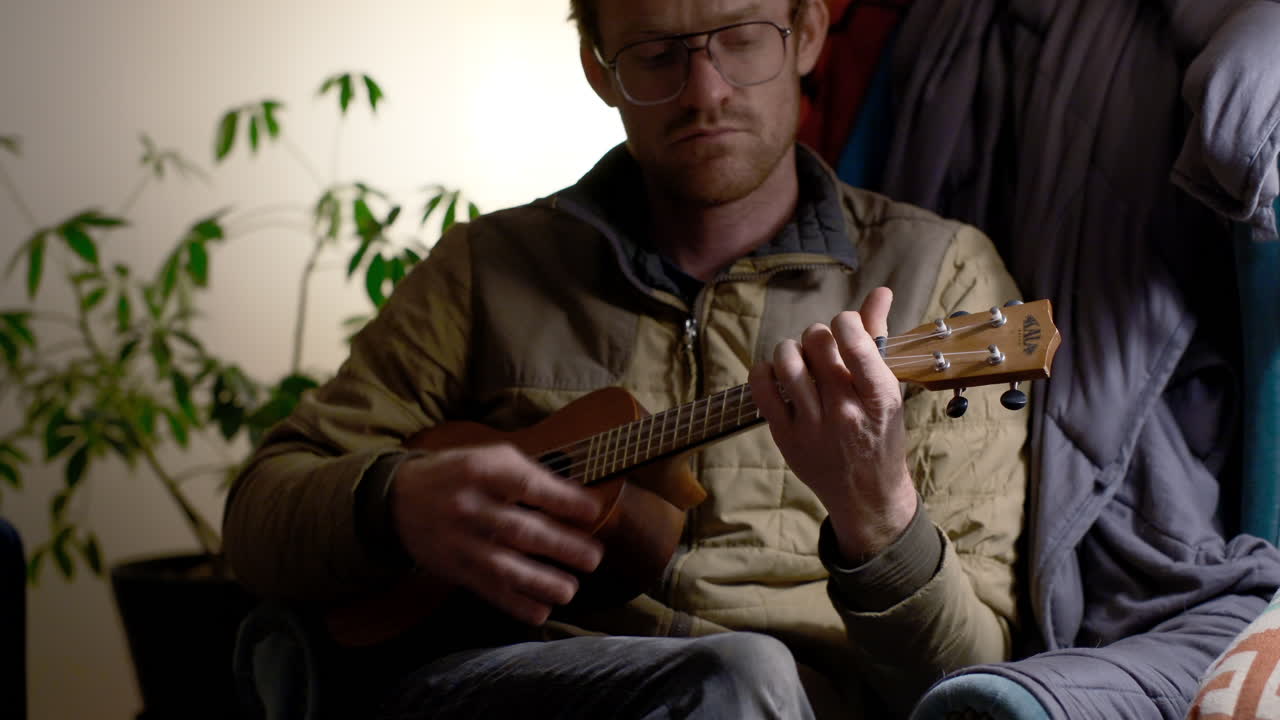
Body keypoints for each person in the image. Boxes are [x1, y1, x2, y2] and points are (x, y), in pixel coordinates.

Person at [223, 0, 1030, 717]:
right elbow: (260, 512)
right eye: (655, 55)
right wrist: (394, 501)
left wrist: (880, 516)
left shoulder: (943, 277)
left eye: (742, 40)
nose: (705, 91)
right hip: (514, 683)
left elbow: (967, 679)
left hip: (796, 697)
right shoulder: (486, 268)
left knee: (746, 673)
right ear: (597, 70)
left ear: (810, 32)